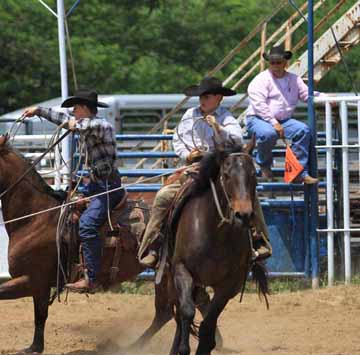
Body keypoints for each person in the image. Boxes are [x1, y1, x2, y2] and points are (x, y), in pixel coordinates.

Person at [139, 76, 272, 268]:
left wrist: (218, 127)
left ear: (218, 98)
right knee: (163, 197)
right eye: (201, 96)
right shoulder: (190, 115)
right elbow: (178, 140)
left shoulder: (226, 117)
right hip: (194, 168)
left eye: (207, 96)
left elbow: (236, 140)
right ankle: (154, 244)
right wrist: (188, 155)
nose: (202, 99)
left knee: (249, 197)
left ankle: (259, 239)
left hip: (220, 169)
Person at [22, 89, 125, 292]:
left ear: (85, 108)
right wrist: (38, 110)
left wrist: (57, 118)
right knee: (63, 212)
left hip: (107, 187)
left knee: (87, 225)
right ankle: (68, 268)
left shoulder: (101, 126)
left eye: (76, 108)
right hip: (94, 185)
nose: (73, 111)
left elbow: (73, 123)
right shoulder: (86, 124)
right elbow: (65, 119)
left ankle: (92, 278)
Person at [246, 44, 319, 184]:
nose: (275, 65)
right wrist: (274, 123)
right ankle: (263, 163)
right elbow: (259, 104)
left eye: (278, 62)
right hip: (257, 119)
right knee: (268, 133)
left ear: (285, 63)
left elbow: (306, 94)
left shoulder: (294, 79)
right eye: (272, 62)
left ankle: (298, 172)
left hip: (283, 120)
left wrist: (324, 97)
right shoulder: (261, 79)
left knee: (303, 130)